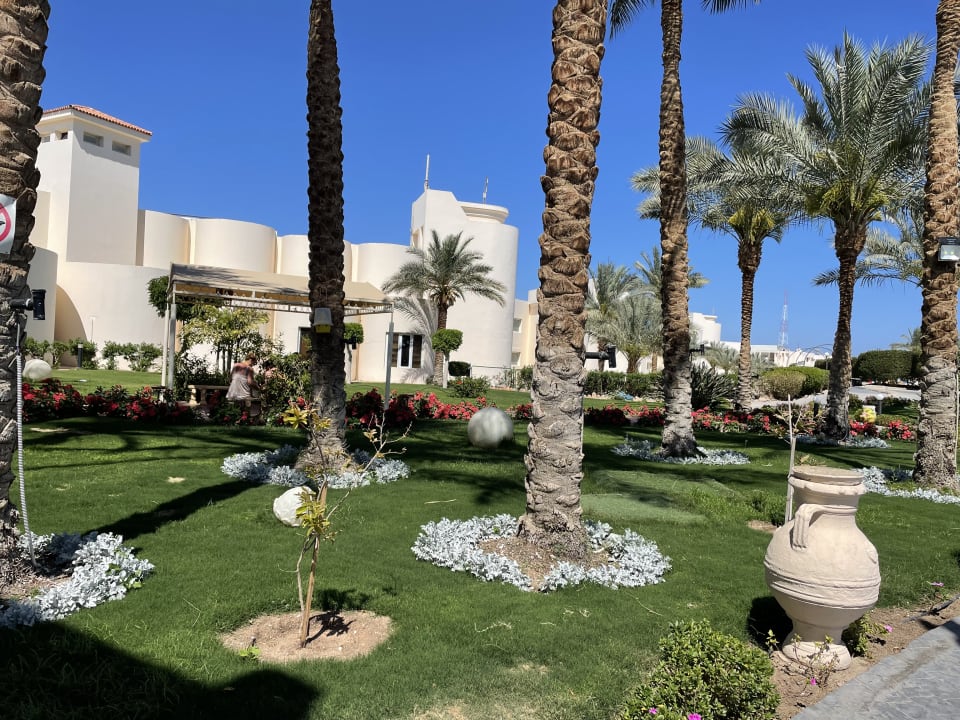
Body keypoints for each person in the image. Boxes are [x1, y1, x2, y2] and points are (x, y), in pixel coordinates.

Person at [226, 353, 260, 418]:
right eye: (254, 363)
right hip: (244, 395)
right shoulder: (249, 368)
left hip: (232, 393)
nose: (253, 365)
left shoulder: (236, 365)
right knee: (245, 414)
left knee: (233, 413)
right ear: (251, 360)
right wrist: (258, 387)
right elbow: (250, 382)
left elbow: (230, 379)